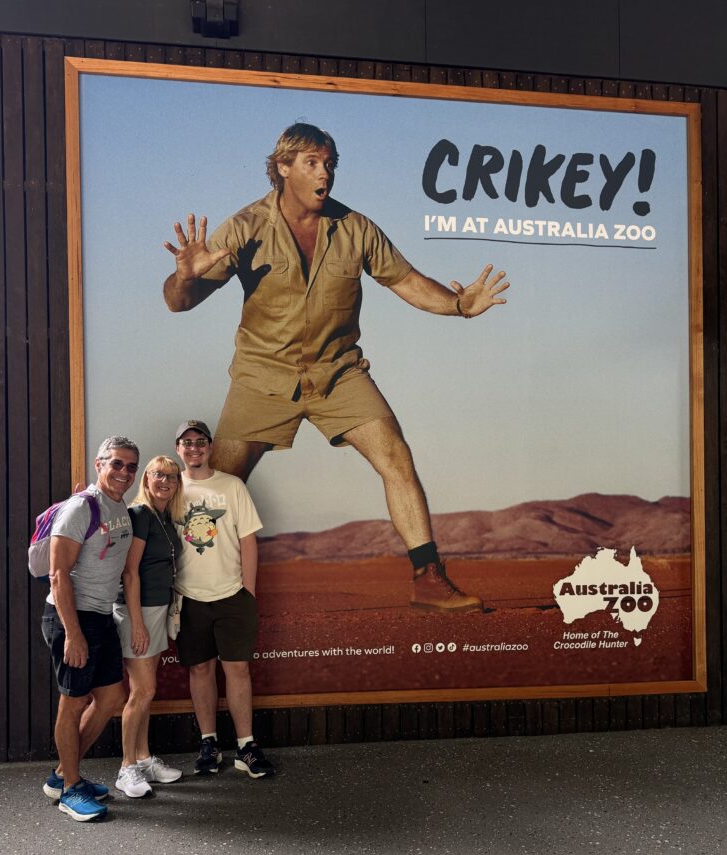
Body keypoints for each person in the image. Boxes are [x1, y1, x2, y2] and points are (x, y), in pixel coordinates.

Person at [163, 122, 509, 611]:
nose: (324, 173)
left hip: (339, 373)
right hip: (263, 377)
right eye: (312, 163)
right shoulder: (245, 227)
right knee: (215, 485)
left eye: (329, 164)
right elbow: (182, 302)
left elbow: (406, 280)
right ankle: (185, 590)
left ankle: (428, 578)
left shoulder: (355, 228)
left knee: (396, 457)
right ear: (283, 168)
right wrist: (183, 278)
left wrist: (457, 305)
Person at [41, 436, 137, 822]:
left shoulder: (119, 506)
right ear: (99, 464)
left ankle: (64, 774)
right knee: (74, 701)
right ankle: (69, 790)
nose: (124, 472)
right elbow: (57, 573)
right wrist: (74, 632)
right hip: (72, 617)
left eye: (131, 466)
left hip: (100, 616)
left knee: (111, 697)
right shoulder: (83, 507)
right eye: (117, 464)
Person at [173, 419, 274, 779]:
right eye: (187, 442)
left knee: (237, 669)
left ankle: (245, 745)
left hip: (232, 594)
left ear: (210, 447)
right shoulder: (169, 487)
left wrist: (248, 591)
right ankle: (209, 743)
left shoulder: (231, 487)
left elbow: (248, 539)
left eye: (200, 441)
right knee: (200, 669)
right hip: (189, 597)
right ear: (178, 449)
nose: (194, 448)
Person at [113, 456, 185, 797]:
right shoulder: (140, 514)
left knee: (145, 692)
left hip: (157, 610)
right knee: (142, 691)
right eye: (158, 474)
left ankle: (143, 759)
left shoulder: (166, 517)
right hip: (136, 612)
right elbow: (130, 572)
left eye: (171, 476)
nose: (165, 481)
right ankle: (126, 768)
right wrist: (137, 623)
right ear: (147, 478)